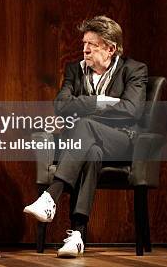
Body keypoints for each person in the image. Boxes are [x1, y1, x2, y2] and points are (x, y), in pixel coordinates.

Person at [24, 15, 148, 257]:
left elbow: (131, 110)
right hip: (86, 146)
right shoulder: (75, 69)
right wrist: (100, 101)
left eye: (92, 44)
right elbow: (60, 105)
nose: (85, 50)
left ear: (111, 48)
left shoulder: (134, 70)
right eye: (84, 44)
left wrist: (81, 107)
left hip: (121, 142)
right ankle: (78, 234)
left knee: (85, 126)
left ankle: (51, 195)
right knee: (91, 151)